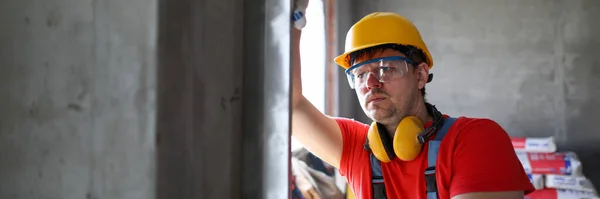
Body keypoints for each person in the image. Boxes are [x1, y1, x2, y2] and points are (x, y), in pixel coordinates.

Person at [291, 2, 535, 199]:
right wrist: (295, 18)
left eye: (386, 69)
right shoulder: (356, 147)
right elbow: (289, 106)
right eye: (361, 74)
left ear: (420, 75)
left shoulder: (475, 139)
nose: (371, 83)